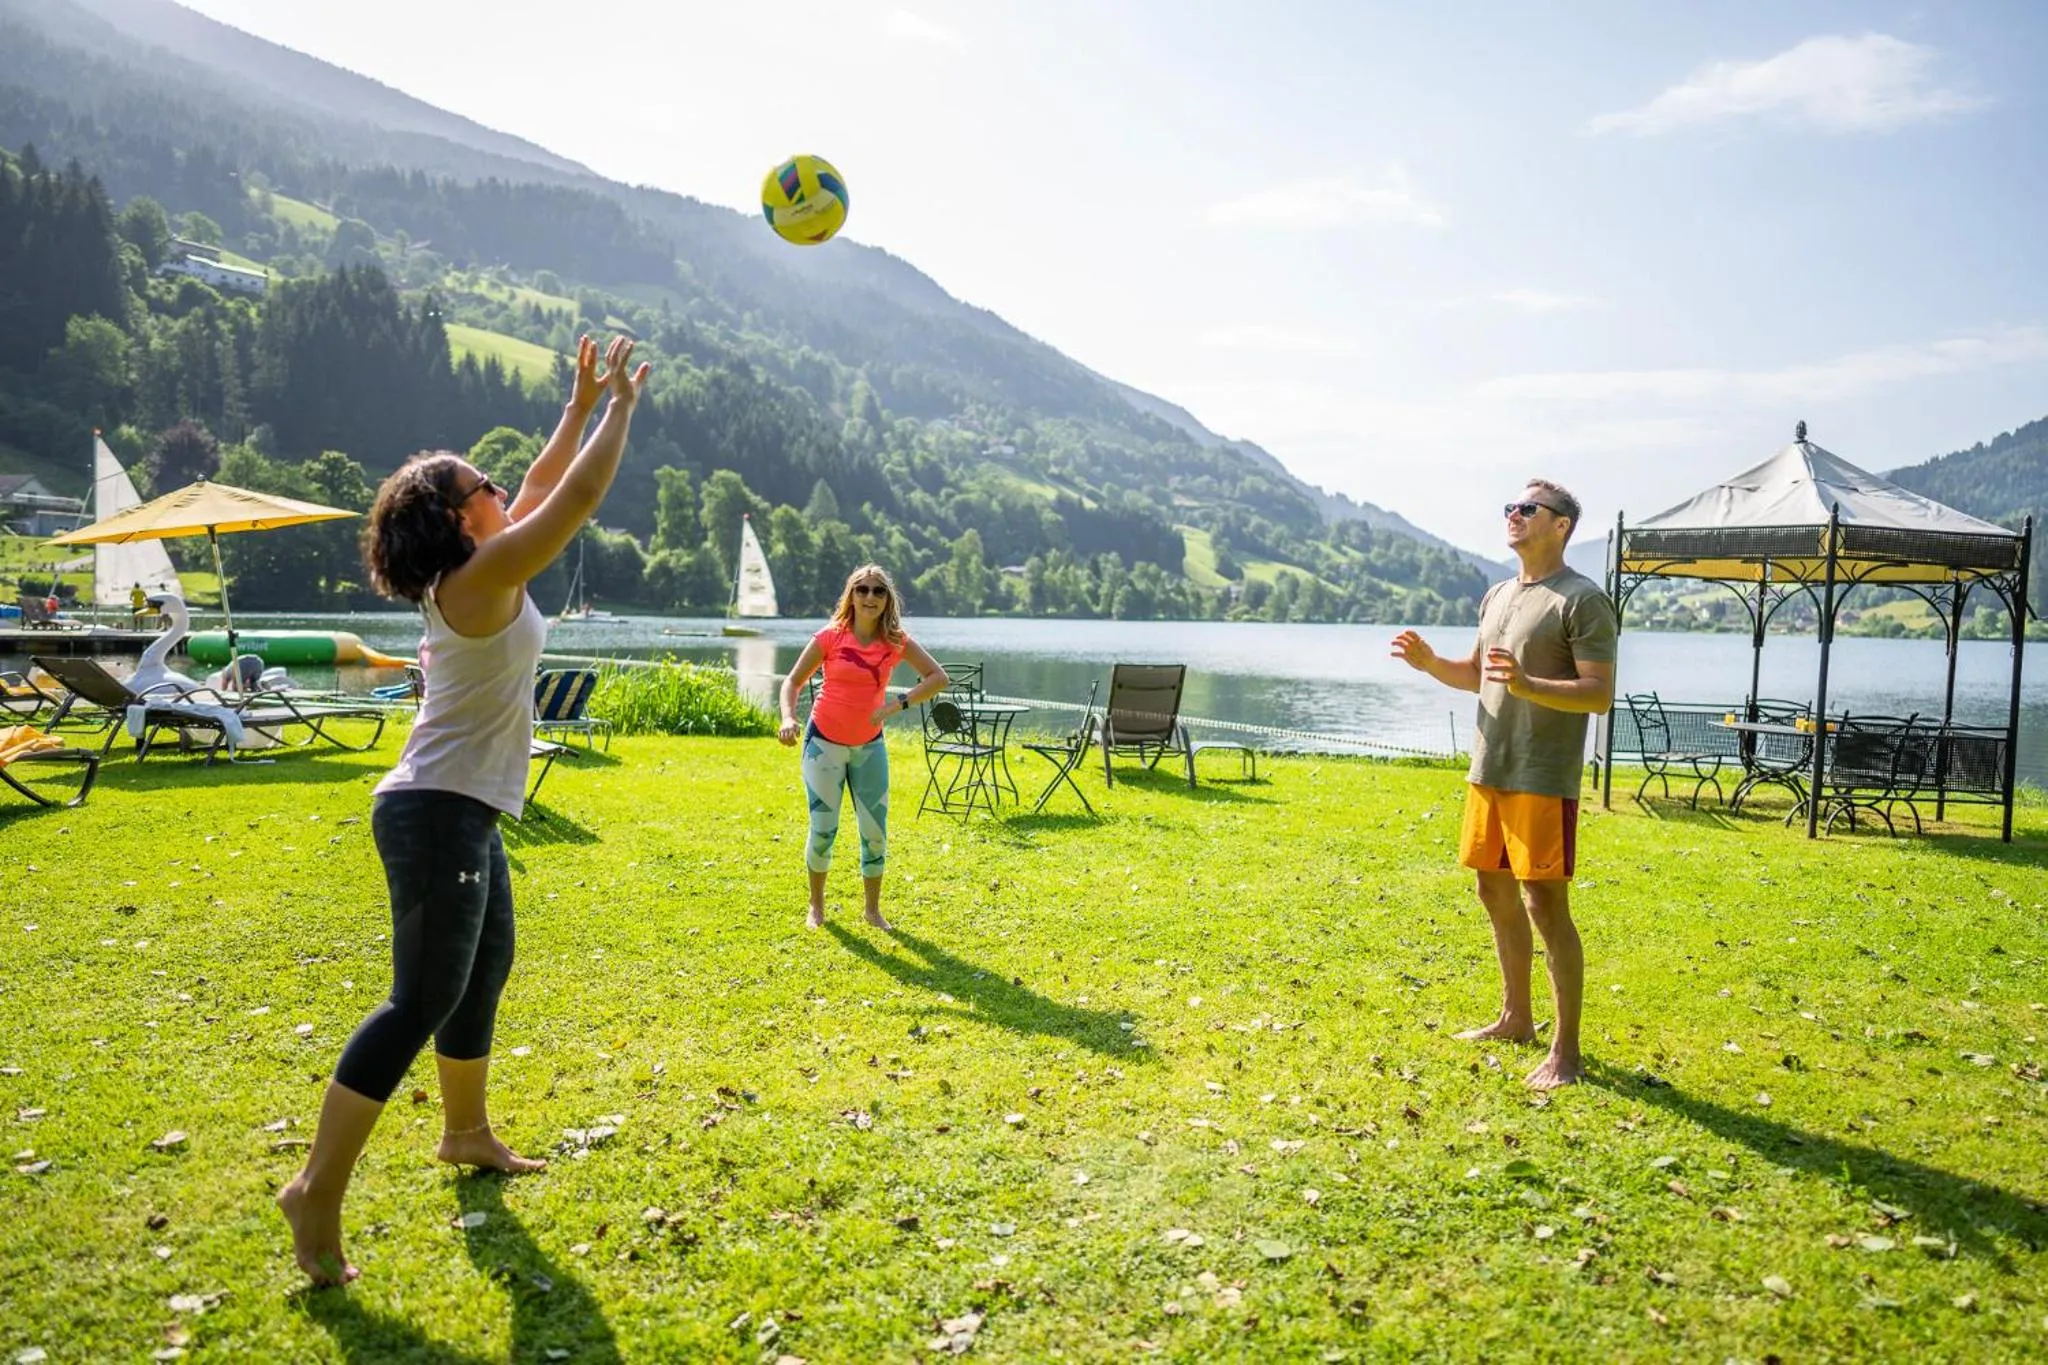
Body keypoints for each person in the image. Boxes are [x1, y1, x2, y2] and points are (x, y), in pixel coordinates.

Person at [277, 335, 649, 1285]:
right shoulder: (481, 577)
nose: (501, 486)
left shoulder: (484, 566)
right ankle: (316, 1186)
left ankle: (466, 1133)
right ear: (457, 512)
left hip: (458, 809)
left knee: (483, 968)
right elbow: (578, 499)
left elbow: (538, 479)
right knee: (420, 997)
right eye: (483, 481)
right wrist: (622, 411)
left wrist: (576, 406)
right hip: (436, 810)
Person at [1391, 479, 1616, 1090]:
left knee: (1546, 905)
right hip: (1488, 768)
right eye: (1510, 508)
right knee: (1493, 892)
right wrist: (1430, 663)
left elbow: (1598, 694)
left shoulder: (1583, 600)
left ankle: (1565, 1051)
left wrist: (1529, 686)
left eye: (1528, 509)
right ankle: (1516, 1018)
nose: (1513, 516)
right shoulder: (1497, 595)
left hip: (1542, 775)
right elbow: (1477, 676)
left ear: (1561, 524)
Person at [777, 565, 947, 932]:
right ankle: (816, 907)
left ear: (888, 600)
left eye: (879, 591)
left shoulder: (896, 641)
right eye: (863, 589)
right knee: (824, 828)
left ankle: (872, 911)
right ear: (851, 595)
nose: (870, 597)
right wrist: (788, 718)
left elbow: (938, 678)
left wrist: (897, 704)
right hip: (823, 744)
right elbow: (791, 682)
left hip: (869, 747)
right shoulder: (829, 637)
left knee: (875, 831)